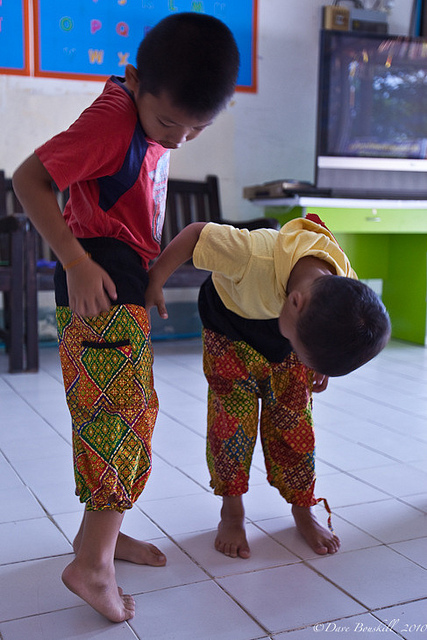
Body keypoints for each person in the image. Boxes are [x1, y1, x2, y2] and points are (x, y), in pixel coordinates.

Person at [12, 12, 239, 622]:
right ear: (136, 80)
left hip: (124, 278)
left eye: (197, 129)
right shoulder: (113, 120)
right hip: (100, 280)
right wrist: (78, 262)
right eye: (169, 123)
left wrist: (150, 278)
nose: (179, 139)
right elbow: (29, 179)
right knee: (116, 424)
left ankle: (105, 540)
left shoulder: (150, 119)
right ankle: (91, 564)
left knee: (133, 416)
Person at [146, 215, 391, 558]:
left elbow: (345, 333)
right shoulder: (250, 254)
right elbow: (196, 233)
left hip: (288, 335)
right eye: (308, 356)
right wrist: (157, 277)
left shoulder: (341, 284)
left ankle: (303, 509)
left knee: (294, 424)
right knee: (231, 424)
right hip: (228, 330)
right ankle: (231, 512)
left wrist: (322, 366)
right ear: (294, 303)